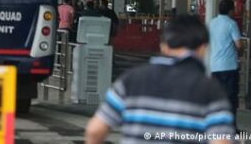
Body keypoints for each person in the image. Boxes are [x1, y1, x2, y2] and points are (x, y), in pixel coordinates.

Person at [85, 14, 234, 144]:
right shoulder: (210, 90)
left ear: (163, 46)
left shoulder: (130, 80)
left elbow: (94, 131)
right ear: (203, 48)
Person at [209, 0, 242, 117]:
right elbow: (239, 45)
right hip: (229, 67)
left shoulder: (211, 23)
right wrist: (240, 53)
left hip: (214, 66)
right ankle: (230, 127)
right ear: (230, 11)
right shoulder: (231, 24)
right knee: (230, 99)